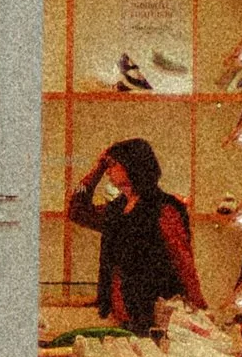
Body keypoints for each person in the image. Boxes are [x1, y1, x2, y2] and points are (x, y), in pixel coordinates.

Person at [68, 138, 205, 334]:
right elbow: (76, 209)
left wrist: (198, 305)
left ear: (132, 164)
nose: (108, 170)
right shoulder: (116, 209)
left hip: (157, 315)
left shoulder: (164, 208)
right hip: (123, 315)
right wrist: (97, 168)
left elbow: (182, 259)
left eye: (113, 164)